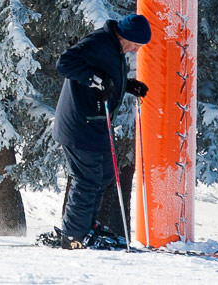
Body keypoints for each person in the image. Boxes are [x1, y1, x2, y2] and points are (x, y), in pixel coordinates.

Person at [40, 14, 152, 250]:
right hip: (79, 124)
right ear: (125, 36)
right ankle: (73, 236)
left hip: (96, 123)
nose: (136, 50)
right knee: (87, 180)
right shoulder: (98, 42)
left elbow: (105, 76)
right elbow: (65, 63)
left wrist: (127, 85)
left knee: (102, 176)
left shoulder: (115, 48)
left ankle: (86, 227)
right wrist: (95, 79)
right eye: (136, 45)